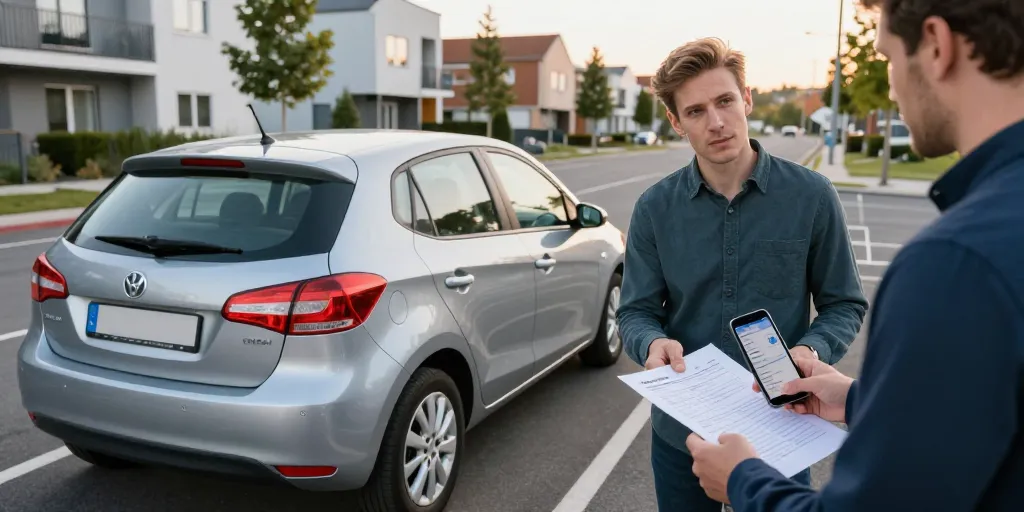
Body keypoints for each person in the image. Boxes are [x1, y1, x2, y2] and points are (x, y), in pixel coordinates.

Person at [685, 1, 1024, 510]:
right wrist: (857, 400)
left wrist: (742, 480)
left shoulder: (956, 263)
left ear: (936, 45)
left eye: (888, 58)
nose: (891, 87)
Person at [616, 37, 868, 511]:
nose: (716, 122)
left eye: (725, 101)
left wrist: (810, 350)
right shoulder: (654, 209)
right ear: (675, 122)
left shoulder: (812, 196)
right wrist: (650, 344)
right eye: (695, 111)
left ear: (747, 99)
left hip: (782, 423)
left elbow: (844, 303)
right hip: (684, 436)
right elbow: (635, 312)